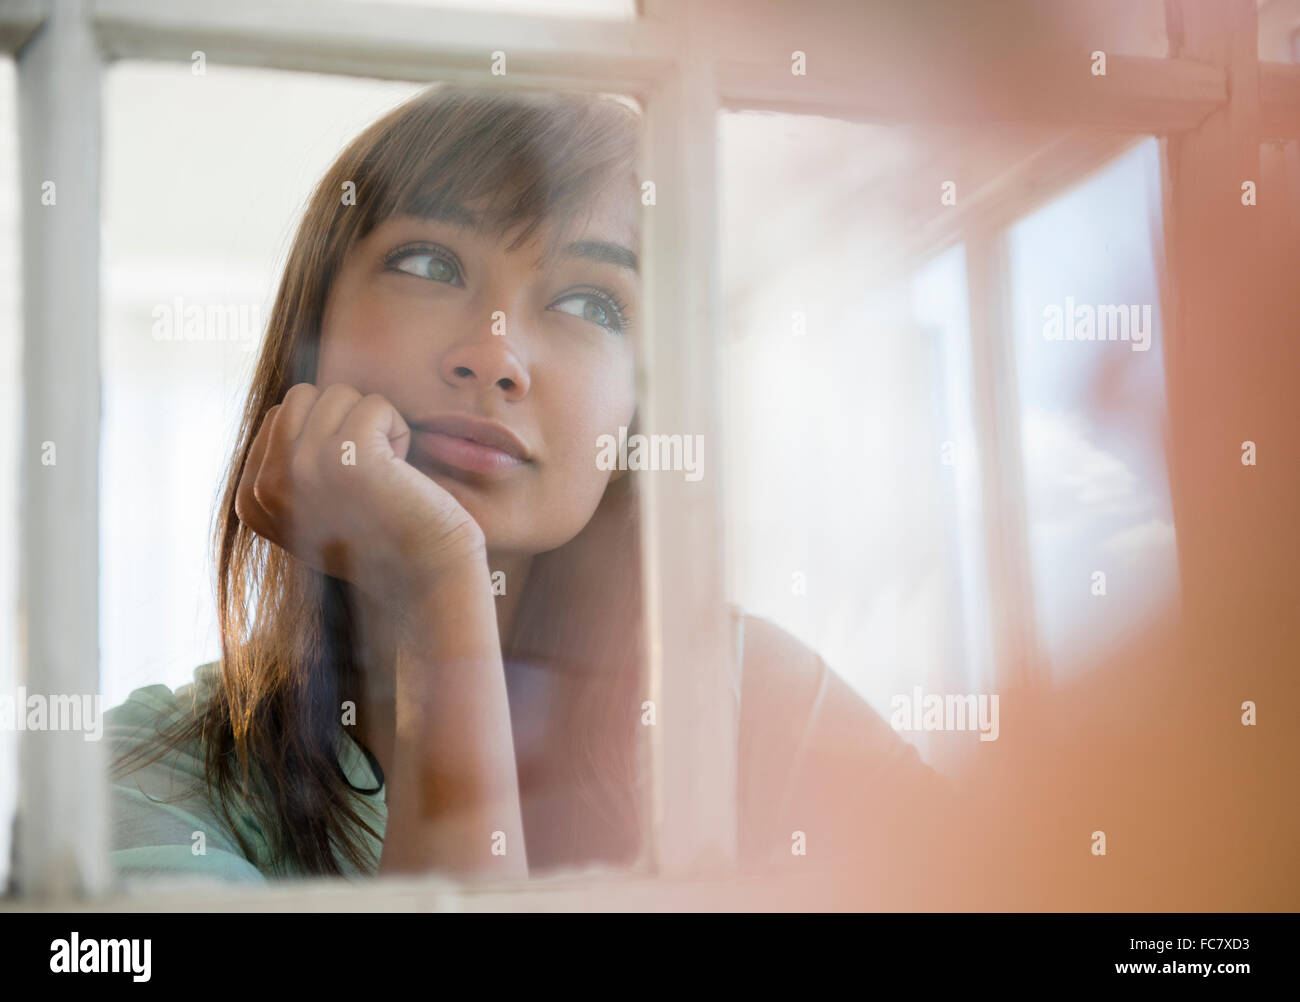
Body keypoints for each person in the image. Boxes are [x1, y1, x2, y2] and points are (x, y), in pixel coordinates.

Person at [107, 85, 957, 895]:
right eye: (430, 261)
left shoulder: (754, 698)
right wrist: (441, 588)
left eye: (592, 303)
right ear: (311, 330)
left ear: (639, 410)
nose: (496, 354)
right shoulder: (146, 782)